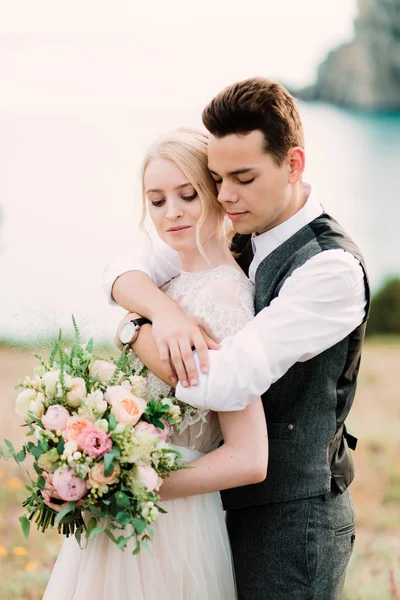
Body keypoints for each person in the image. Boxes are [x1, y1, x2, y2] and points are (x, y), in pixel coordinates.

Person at [104, 78, 370, 600]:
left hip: (293, 524)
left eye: (242, 178)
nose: (224, 196)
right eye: (218, 179)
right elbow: (124, 270)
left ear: (293, 165)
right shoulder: (238, 225)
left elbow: (223, 382)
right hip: (217, 513)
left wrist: (133, 331)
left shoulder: (329, 269)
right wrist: (160, 313)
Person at [43, 127, 268, 600]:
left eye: (188, 195)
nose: (173, 212)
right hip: (126, 512)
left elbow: (249, 458)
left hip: (173, 520)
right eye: (157, 200)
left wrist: (126, 484)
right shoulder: (164, 288)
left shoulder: (226, 296)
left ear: (218, 193)